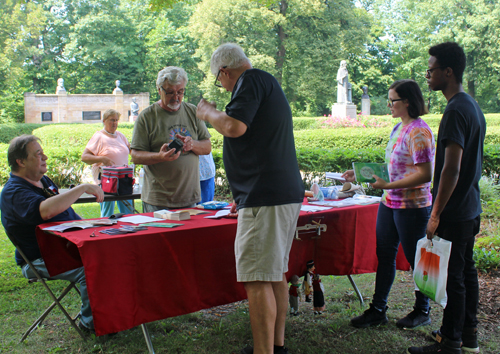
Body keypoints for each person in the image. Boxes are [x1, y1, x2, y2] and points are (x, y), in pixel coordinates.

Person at [196, 43, 304, 354]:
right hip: (272, 194)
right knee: (273, 275)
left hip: (265, 197)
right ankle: (275, 345)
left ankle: (263, 351)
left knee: (257, 279)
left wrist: (208, 112)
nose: (224, 87)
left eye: (221, 81)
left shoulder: (251, 81)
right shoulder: (264, 82)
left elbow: (234, 126)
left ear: (225, 72)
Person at [407, 42, 486, 354]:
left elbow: (451, 169)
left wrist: (436, 213)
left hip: (454, 212)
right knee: (466, 272)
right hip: (471, 207)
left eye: (431, 70)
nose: (427, 76)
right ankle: (468, 337)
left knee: (454, 277)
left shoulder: (455, 111)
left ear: (448, 72)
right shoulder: (472, 105)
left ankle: (450, 342)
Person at [343, 79, 435, 329]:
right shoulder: (399, 128)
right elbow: (392, 169)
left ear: (407, 102)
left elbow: (426, 174)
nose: (389, 104)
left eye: (393, 100)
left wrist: (388, 187)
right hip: (389, 204)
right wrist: (359, 174)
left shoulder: (419, 131)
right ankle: (378, 309)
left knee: (418, 260)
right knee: (385, 256)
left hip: (412, 208)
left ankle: (422, 310)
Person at [0, 135, 104, 334]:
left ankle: (115, 314)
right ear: (20, 162)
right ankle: (90, 325)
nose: (45, 157)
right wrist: (82, 188)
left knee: (114, 254)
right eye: (38, 154)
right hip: (39, 258)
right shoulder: (13, 191)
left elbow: (64, 212)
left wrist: (92, 225)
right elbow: (45, 211)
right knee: (92, 268)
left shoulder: (43, 181)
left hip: (68, 246)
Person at [130, 66, 211, 211]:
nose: (176, 97)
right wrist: (159, 156)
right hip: (158, 200)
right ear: (159, 90)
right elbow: (135, 156)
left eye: (180, 92)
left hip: (190, 198)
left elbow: (207, 147)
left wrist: (191, 145)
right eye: (170, 92)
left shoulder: (193, 112)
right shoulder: (147, 116)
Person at [81, 108, 133, 217]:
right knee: (107, 215)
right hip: (107, 180)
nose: (114, 123)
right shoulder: (99, 136)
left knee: (128, 213)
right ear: (104, 121)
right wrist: (102, 159)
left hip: (123, 180)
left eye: (116, 120)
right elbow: (84, 157)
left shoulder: (121, 136)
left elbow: (132, 151)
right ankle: (105, 231)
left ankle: (128, 231)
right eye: (111, 120)